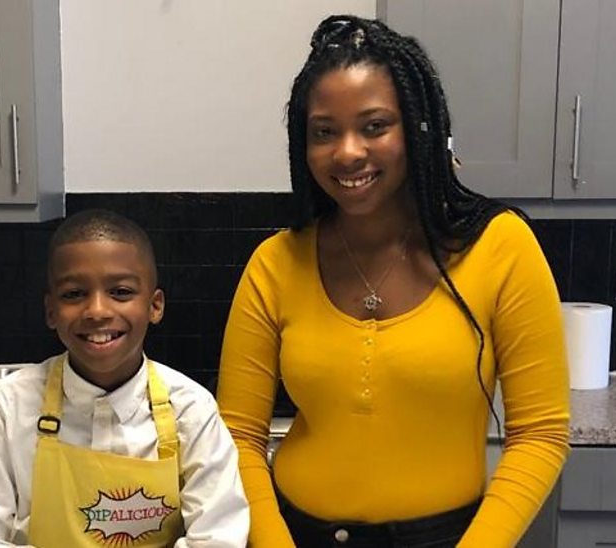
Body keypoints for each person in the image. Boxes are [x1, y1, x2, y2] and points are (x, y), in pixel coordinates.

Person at [215, 15, 569, 548]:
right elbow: (238, 434)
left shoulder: (500, 247)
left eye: (375, 126)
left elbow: (540, 434)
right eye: (324, 132)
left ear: (418, 128)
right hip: (295, 533)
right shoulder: (276, 263)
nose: (347, 152)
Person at [0, 208, 249, 547]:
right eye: (74, 294)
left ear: (155, 306)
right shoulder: (7, 406)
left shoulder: (191, 410)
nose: (97, 311)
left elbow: (218, 537)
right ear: (51, 311)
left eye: (120, 291)